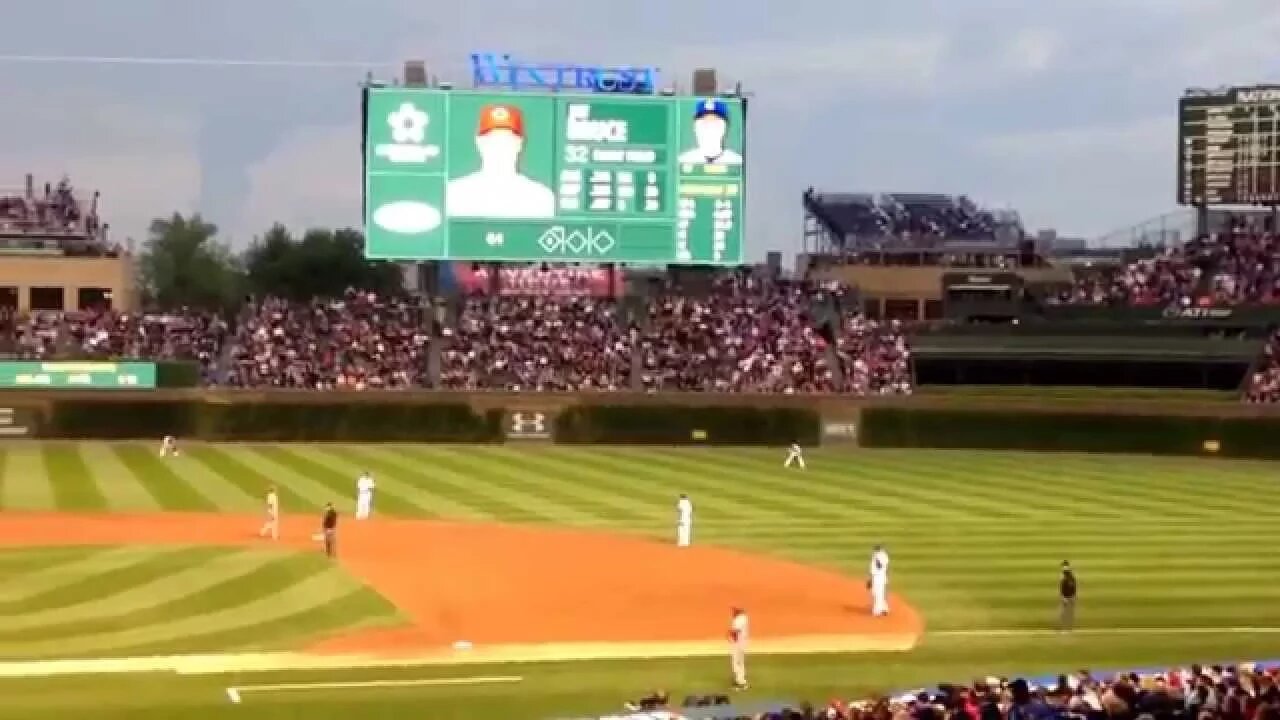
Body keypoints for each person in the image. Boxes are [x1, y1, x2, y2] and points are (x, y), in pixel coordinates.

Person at [446, 103, 556, 219]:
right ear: (479, 143)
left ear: (519, 144)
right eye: (492, 141)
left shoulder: (540, 197)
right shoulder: (455, 193)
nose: (500, 147)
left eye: (507, 141)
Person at [677, 99, 743, 167]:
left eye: (715, 123)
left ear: (725, 128)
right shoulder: (682, 161)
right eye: (704, 123)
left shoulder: (738, 163)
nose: (709, 129)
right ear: (695, 128)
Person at [728, 606, 749, 690]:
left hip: (738, 643)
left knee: (736, 662)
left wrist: (729, 635)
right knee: (741, 662)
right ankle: (741, 680)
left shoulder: (738, 620)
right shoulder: (744, 618)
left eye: (734, 611)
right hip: (743, 643)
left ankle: (740, 682)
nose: (732, 613)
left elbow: (736, 632)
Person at [869, 544, 890, 616]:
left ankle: (877, 611)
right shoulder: (885, 555)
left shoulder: (877, 556)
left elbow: (878, 566)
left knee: (876, 593)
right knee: (881, 593)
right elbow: (886, 566)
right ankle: (884, 609)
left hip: (877, 577)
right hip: (883, 576)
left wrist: (871, 579)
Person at [1059, 560, 1077, 632]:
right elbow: (1074, 586)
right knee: (1068, 612)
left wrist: (1064, 596)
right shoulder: (1070, 575)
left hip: (1068, 596)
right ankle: (1067, 627)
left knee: (1066, 612)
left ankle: (1067, 627)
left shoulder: (1067, 576)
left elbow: (1071, 586)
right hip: (1069, 596)